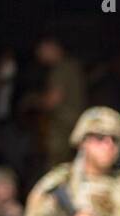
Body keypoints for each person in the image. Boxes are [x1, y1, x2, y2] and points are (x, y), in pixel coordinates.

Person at [34, 37, 86, 167]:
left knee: (57, 167)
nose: (39, 56)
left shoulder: (60, 69)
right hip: (76, 124)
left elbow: (53, 100)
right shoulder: (73, 65)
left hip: (63, 127)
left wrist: (33, 102)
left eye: (41, 51)